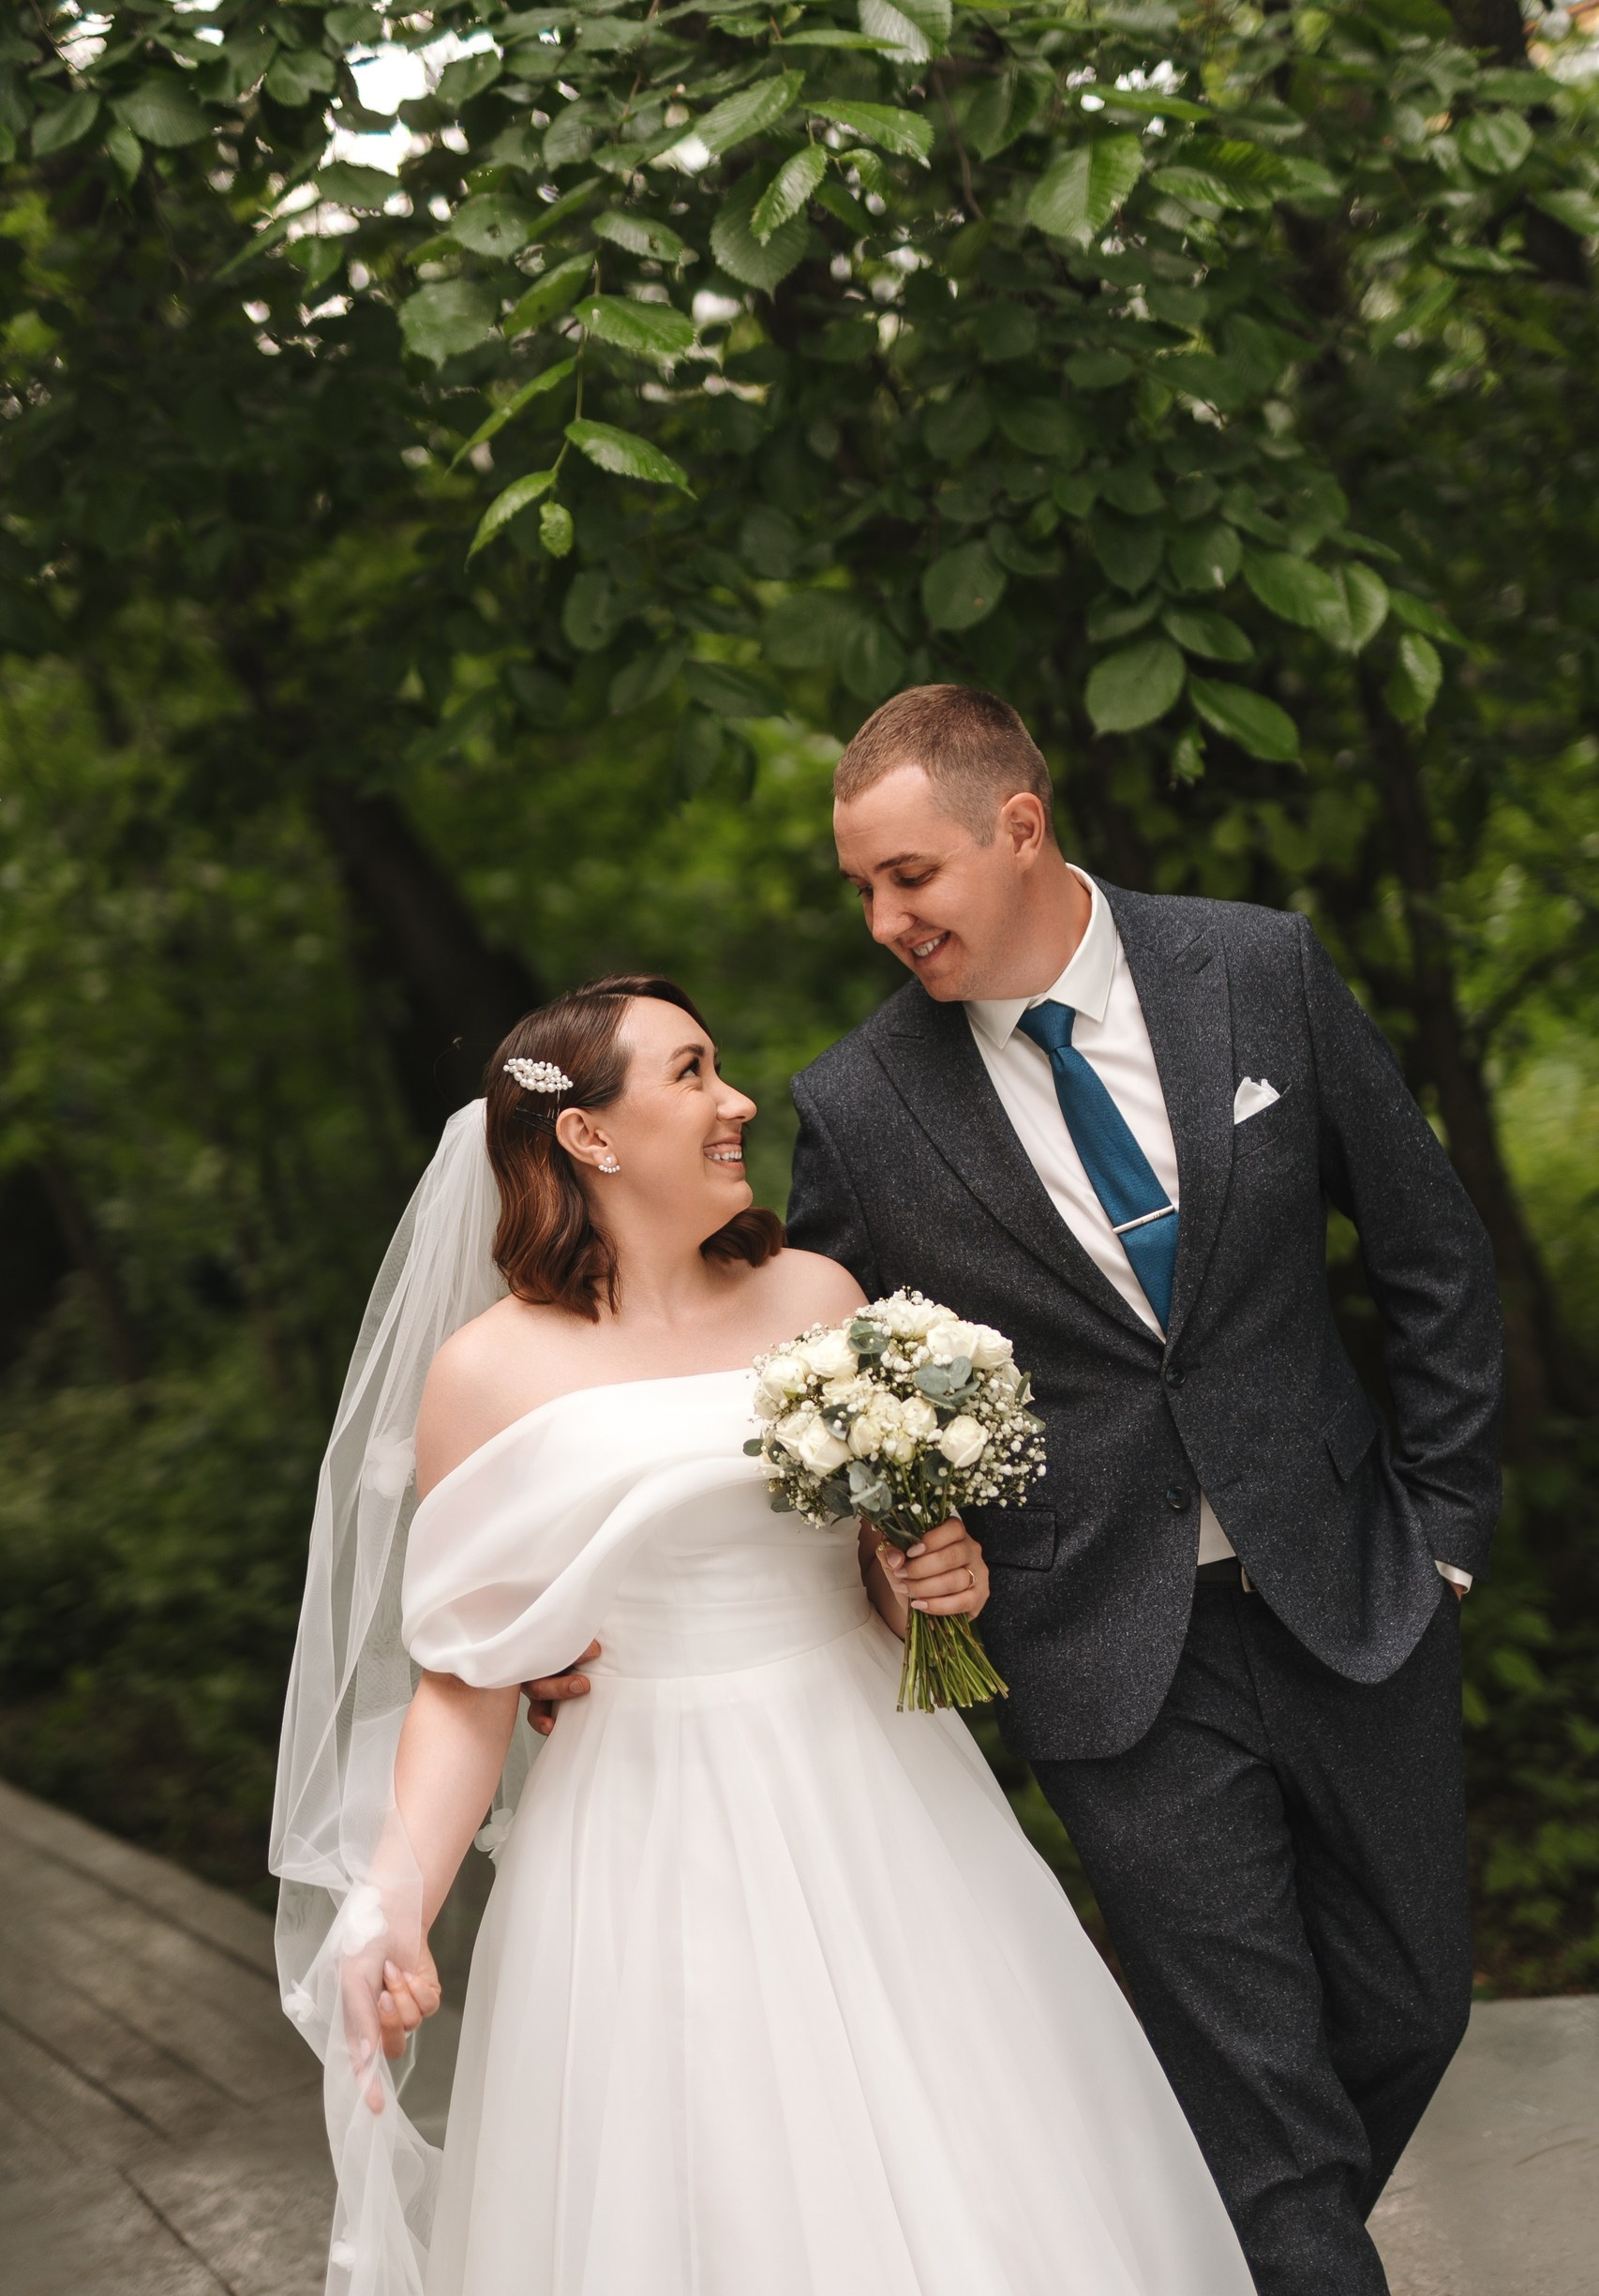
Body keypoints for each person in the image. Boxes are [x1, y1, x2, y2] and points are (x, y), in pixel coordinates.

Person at [271, 970, 1253, 2296]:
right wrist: (396, 1905)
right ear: (588, 1134)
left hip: (878, 1793)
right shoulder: (487, 1373)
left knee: (962, 2145)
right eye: (690, 1074)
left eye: (719, 1066)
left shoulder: (816, 1298)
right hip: (639, 1826)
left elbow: (881, 1580)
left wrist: (934, 1579)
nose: (735, 1101)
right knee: (711, 2174)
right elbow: (469, 1681)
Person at [786, 683, 1504, 2296]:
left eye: (910, 875)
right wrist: (890, 1545)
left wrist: (1448, 1532)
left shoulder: (1256, 970)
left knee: (1411, 2006)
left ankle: (1195, 2248)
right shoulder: (858, 1104)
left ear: (1018, 827)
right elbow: (835, 1383)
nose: (885, 920)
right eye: (861, 889)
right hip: (1104, 1649)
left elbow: (1431, 1254)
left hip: (1355, 1586)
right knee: (1257, 2088)